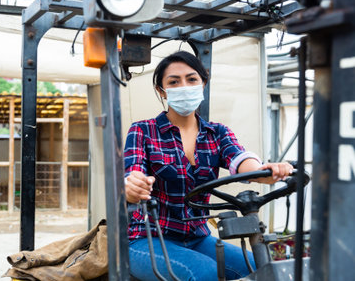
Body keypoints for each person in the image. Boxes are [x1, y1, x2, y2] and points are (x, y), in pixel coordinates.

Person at [124, 51, 293, 281]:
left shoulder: (217, 133)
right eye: (174, 81)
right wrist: (133, 185)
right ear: (162, 91)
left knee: (262, 268)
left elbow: (240, 159)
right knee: (204, 273)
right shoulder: (143, 130)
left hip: (198, 236)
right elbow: (132, 173)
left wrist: (264, 171)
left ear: (203, 83)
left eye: (191, 79)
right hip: (147, 237)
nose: (184, 86)